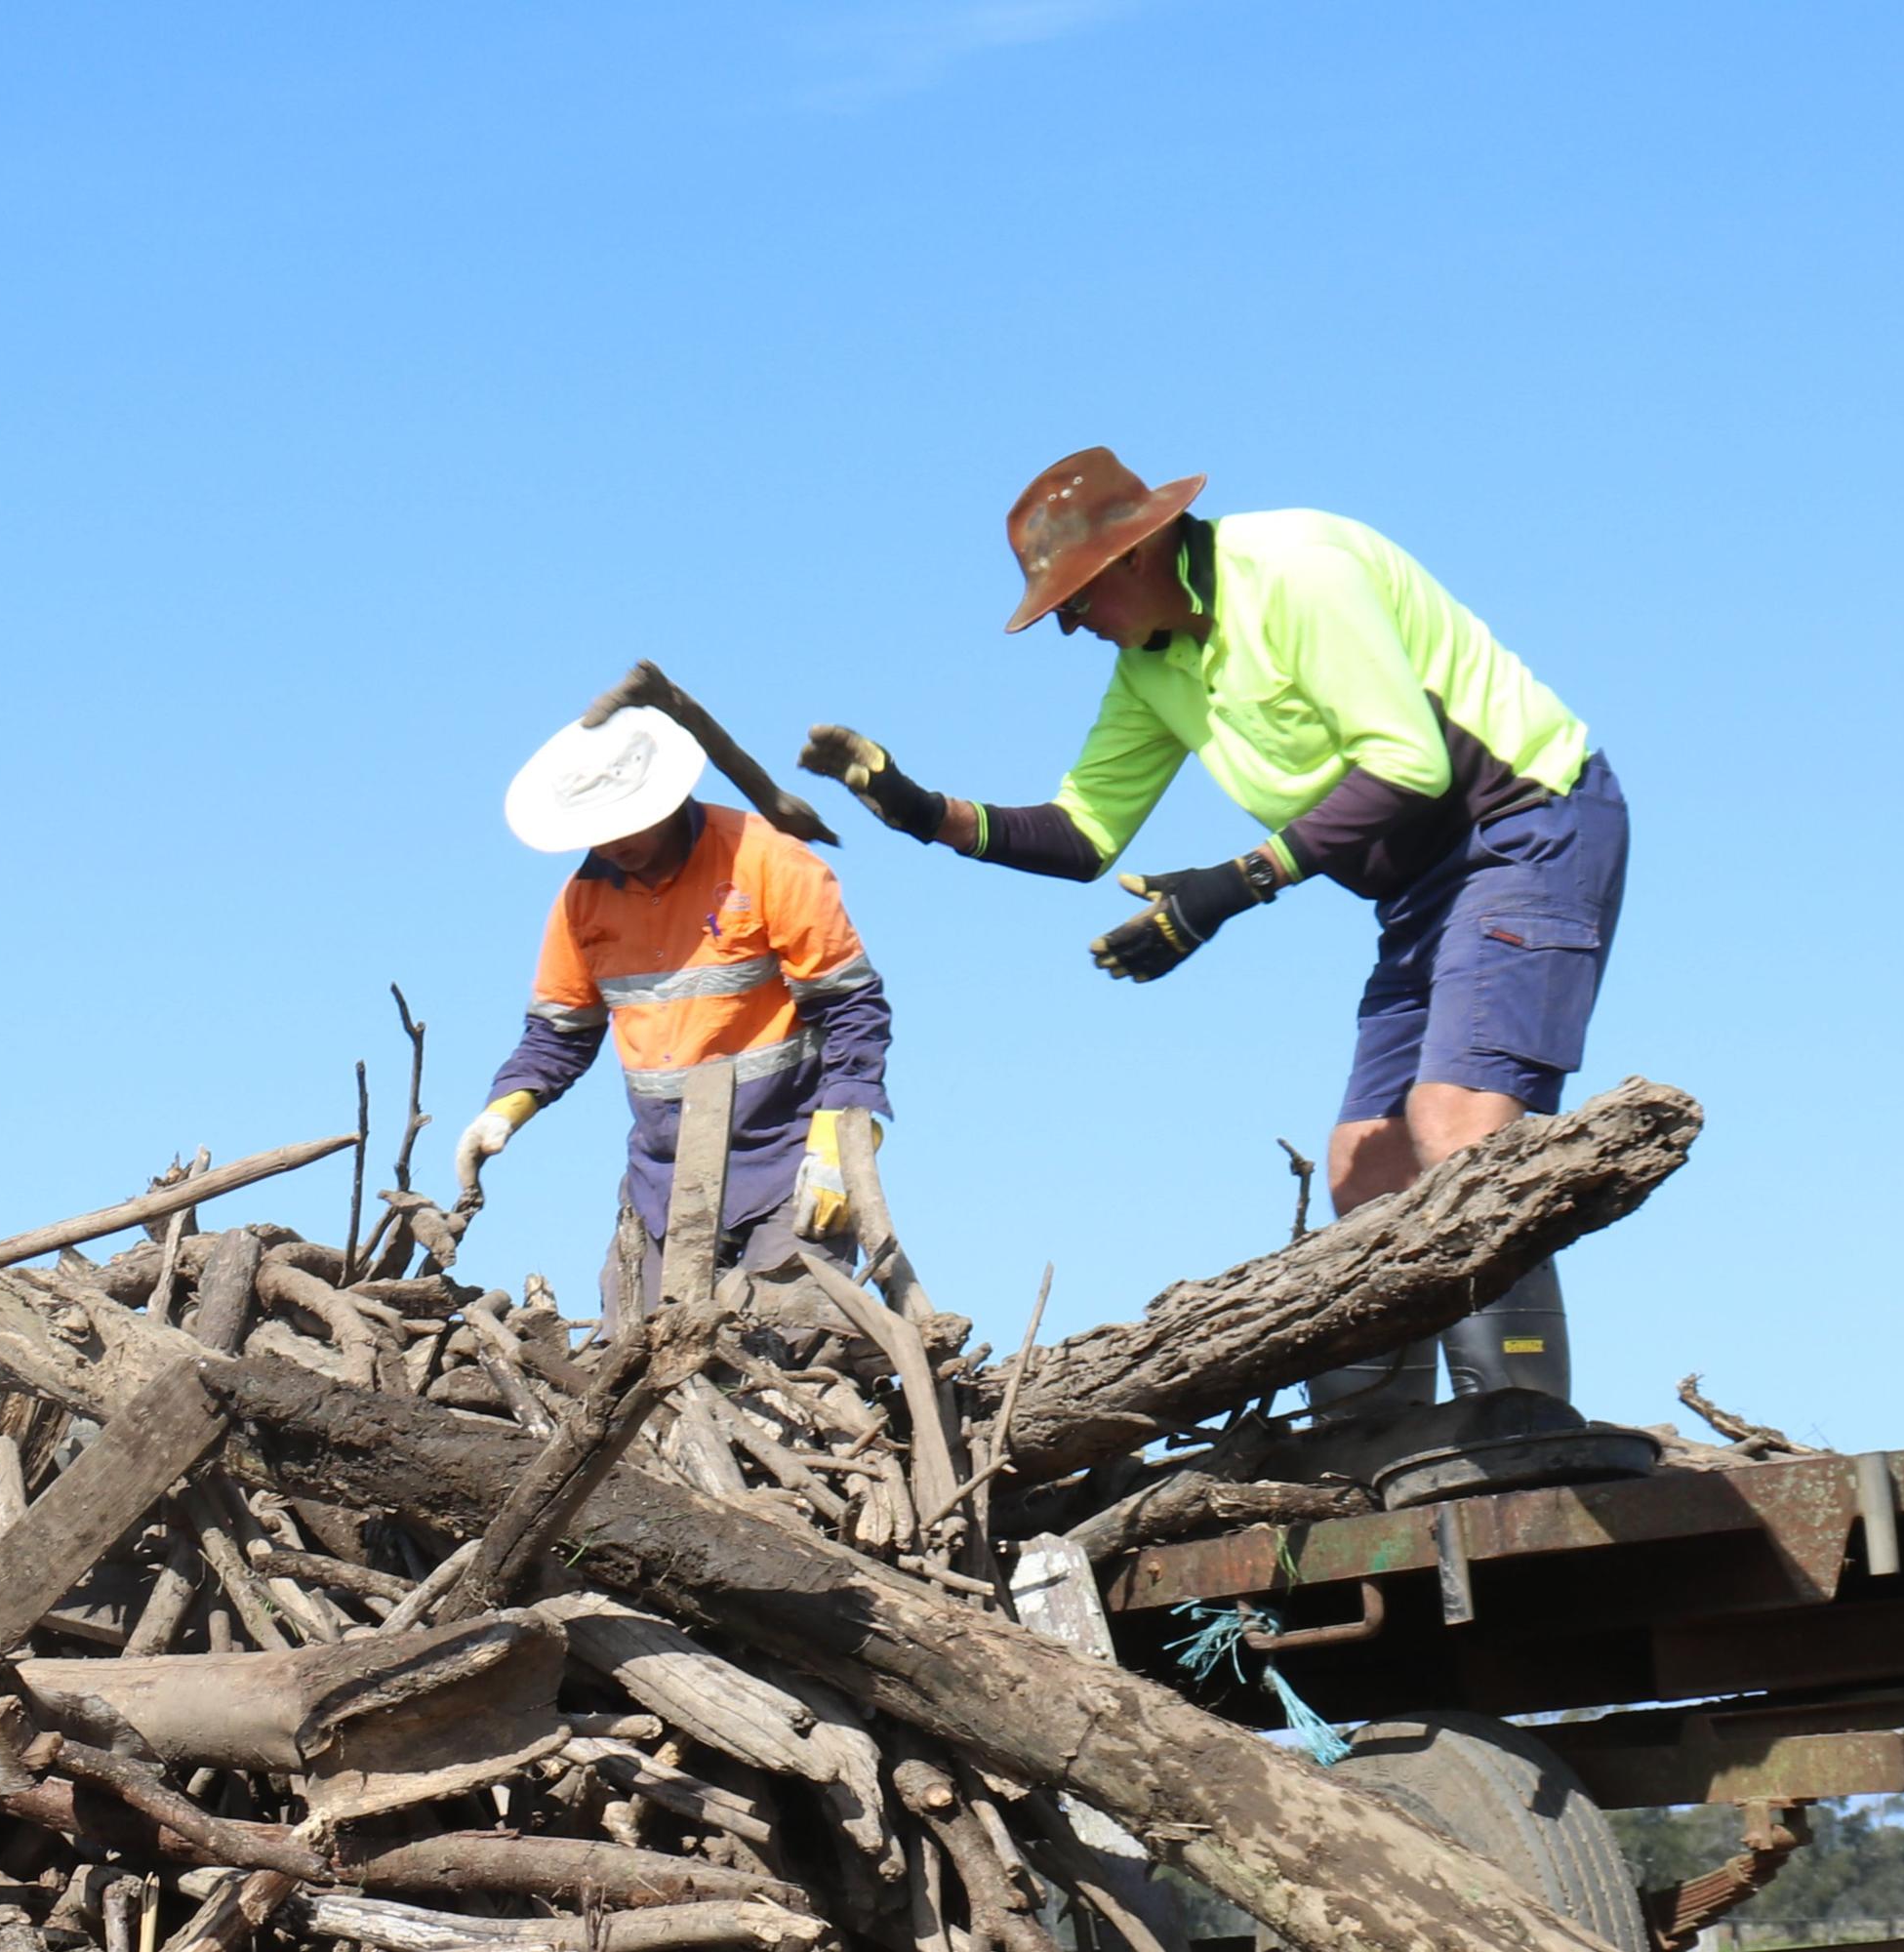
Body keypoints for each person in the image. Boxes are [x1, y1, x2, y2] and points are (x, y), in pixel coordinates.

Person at [799, 448, 1625, 1429]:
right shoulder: (1150, 664)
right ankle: (1372, 1442)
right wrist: (919, 808)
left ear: (1133, 559)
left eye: (1070, 598)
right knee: (1362, 1162)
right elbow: (1081, 835)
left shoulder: (1294, 570)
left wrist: (1232, 886)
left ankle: (1519, 1420)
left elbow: (1408, 763)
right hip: (1416, 889)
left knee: (1457, 1124)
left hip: (1525, 827)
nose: (1066, 623)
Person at [451, 704, 894, 1320]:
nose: (615, 844)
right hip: (663, 1180)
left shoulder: (766, 860)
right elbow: (559, 1034)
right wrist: (505, 1108)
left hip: (787, 1156)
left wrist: (841, 1138)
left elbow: (852, 1009)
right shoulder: (582, 902)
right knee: (637, 1358)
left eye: (627, 824)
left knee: (790, 1342)